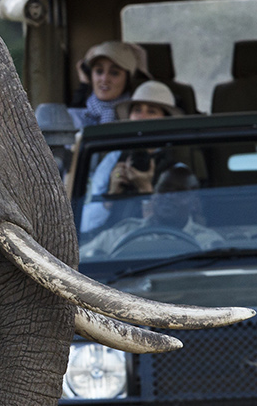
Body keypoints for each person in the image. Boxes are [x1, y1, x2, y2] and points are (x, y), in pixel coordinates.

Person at [80, 81, 179, 232]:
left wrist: (146, 190)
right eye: (137, 110)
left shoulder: (176, 170)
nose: (141, 117)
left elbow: (176, 229)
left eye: (151, 111)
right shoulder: (113, 160)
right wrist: (111, 195)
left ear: (165, 119)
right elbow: (84, 225)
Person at [81, 163, 222, 258]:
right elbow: (79, 260)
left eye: (180, 192)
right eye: (164, 189)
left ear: (194, 203)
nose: (168, 197)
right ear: (153, 195)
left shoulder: (208, 242)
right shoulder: (121, 234)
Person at [67, 40, 143, 128]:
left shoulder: (138, 117)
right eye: (99, 71)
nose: (104, 79)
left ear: (128, 79)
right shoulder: (71, 118)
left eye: (114, 73)